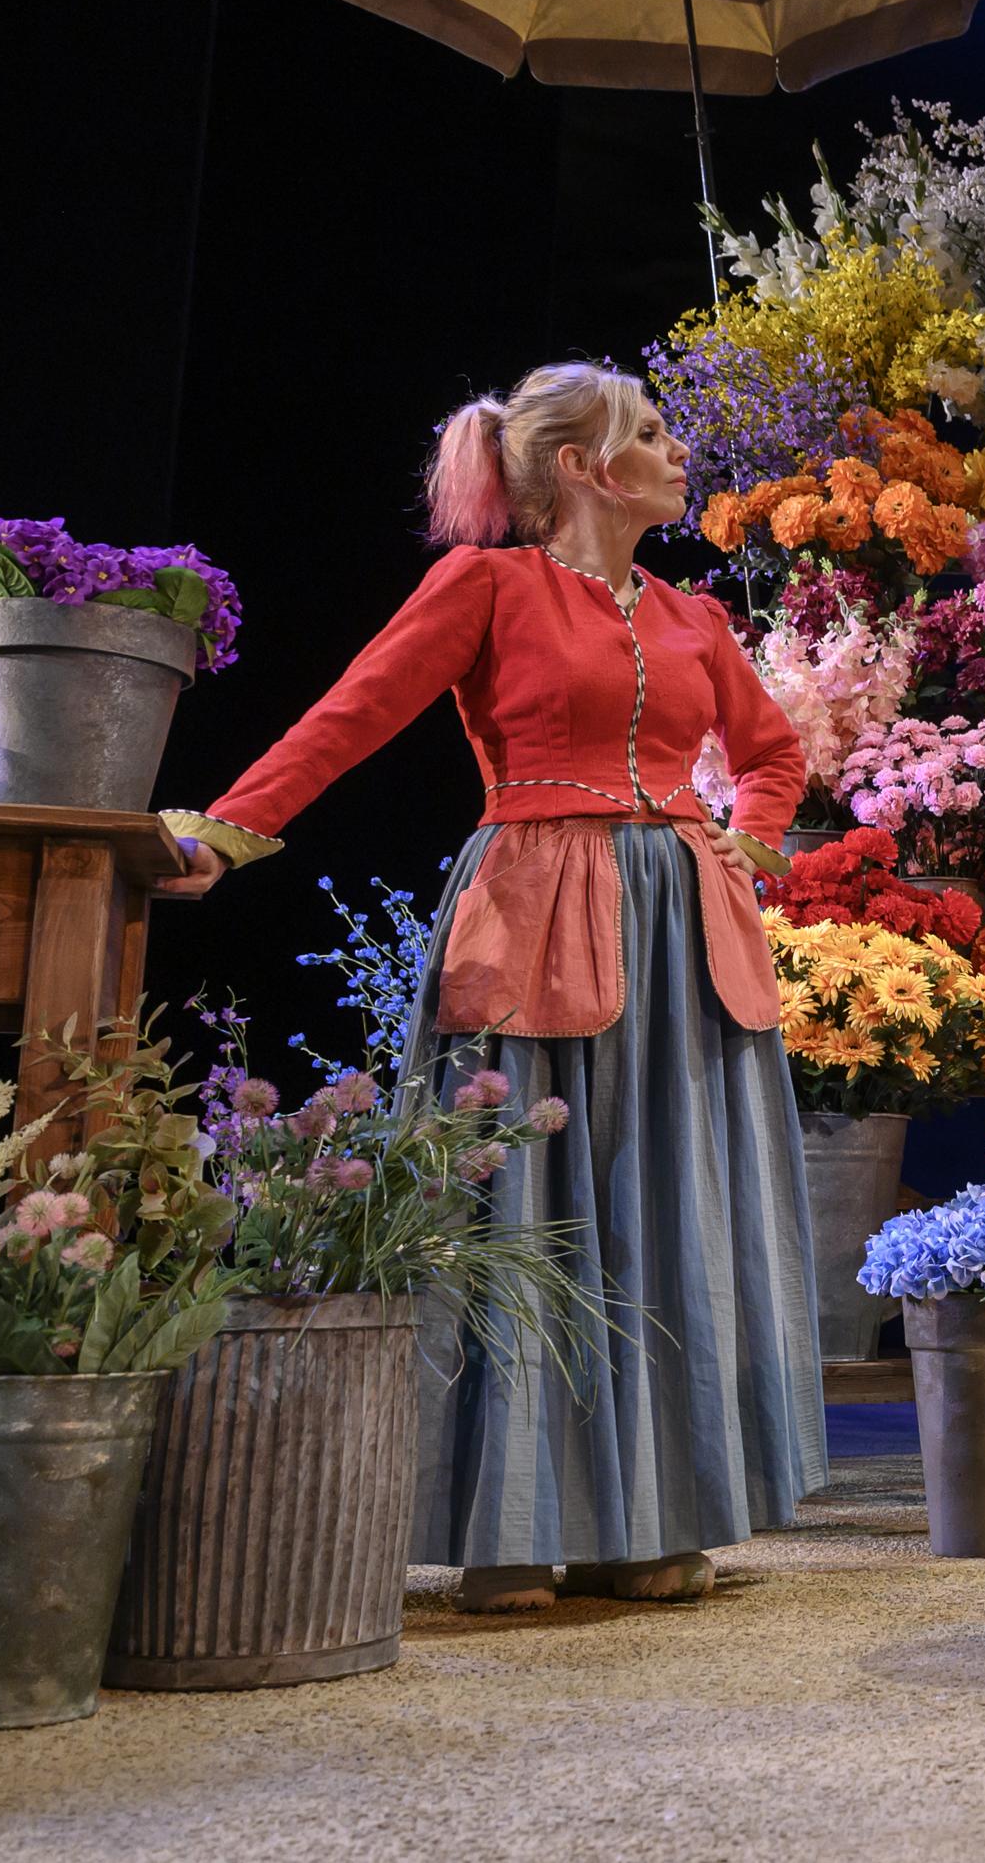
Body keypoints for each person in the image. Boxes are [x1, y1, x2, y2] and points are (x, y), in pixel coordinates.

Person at [160, 362, 824, 1612]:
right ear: (581, 468)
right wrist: (229, 831)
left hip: (683, 933)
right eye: (652, 432)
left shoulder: (694, 619)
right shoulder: (488, 587)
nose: (680, 453)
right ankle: (510, 1526)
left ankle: (654, 1520)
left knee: (664, 1208)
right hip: (537, 915)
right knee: (525, 1210)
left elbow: (773, 753)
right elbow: (350, 714)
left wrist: (756, 834)